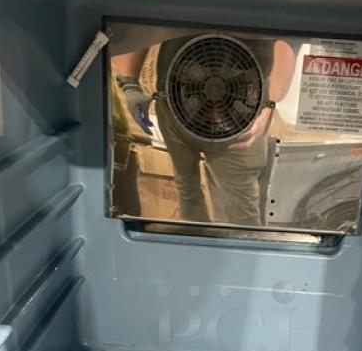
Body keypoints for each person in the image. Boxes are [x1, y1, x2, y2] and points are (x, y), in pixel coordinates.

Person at [113, 36, 296, 226]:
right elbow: (139, 23)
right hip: (178, 104)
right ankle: (196, 249)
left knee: (238, 214)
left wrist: (269, 105)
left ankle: (237, 252)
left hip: (240, 118)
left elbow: (289, 36)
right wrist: (129, 84)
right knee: (188, 196)